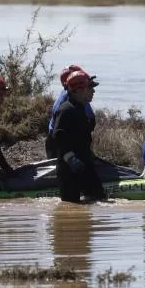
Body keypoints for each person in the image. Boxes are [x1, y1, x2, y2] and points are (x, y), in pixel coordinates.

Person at [52, 70, 107, 203]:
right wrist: (71, 158)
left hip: (84, 165)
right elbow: (58, 135)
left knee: (99, 200)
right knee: (70, 207)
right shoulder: (66, 109)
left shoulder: (80, 108)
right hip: (69, 169)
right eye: (90, 88)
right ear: (78, 90)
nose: (93, 91)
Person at [45, 64, 96, 158]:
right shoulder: (65, 104)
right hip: (57, 143)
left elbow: (90, 118)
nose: (92, 91)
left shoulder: (79, 99)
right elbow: (59, 133)